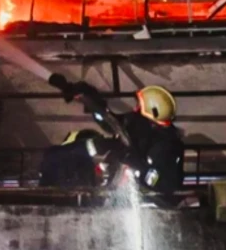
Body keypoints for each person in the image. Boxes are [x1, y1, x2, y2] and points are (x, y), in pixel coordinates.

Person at [39, 77, 185, 195]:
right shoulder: (138, 123)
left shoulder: (166, 146)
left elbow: (163, 185)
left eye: (139, 107)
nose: (135, 109)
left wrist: (137, 164)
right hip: (121, 176)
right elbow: (111, 123)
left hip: (142, 200)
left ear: (151, 113)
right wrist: (90, 99)